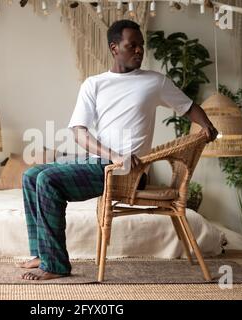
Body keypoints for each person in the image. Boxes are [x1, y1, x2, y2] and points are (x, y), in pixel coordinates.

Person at [19, 19, 218, 281]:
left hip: (129, 172)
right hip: (102, 164)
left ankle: (55, 265)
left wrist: (208, 126)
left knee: (47, 180)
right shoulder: (94, 84)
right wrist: (112, 154)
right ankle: (42, 253)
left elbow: (189, 107)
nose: (139, 51)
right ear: (114, 48)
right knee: (31, 175)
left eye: (141, 46)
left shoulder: (155, 82)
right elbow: (79, 131)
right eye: (131, 45)